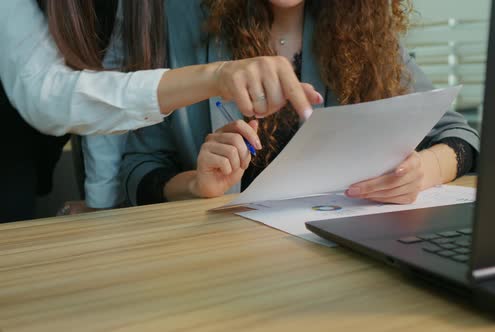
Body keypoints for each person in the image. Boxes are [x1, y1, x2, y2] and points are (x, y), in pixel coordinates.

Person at [121, 0, 480, 206]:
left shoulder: (364, 28)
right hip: (220, 260)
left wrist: (424, 170)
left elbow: (460, 138)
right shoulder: (179, 21)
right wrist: (198, 186)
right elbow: (139, 170)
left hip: (339, 255)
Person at [0, 0, 319, 221]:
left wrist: (101, 203)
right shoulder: (188, 22)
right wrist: (215, 76)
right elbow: (48, 97)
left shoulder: (354, 37)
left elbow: (111, 70)